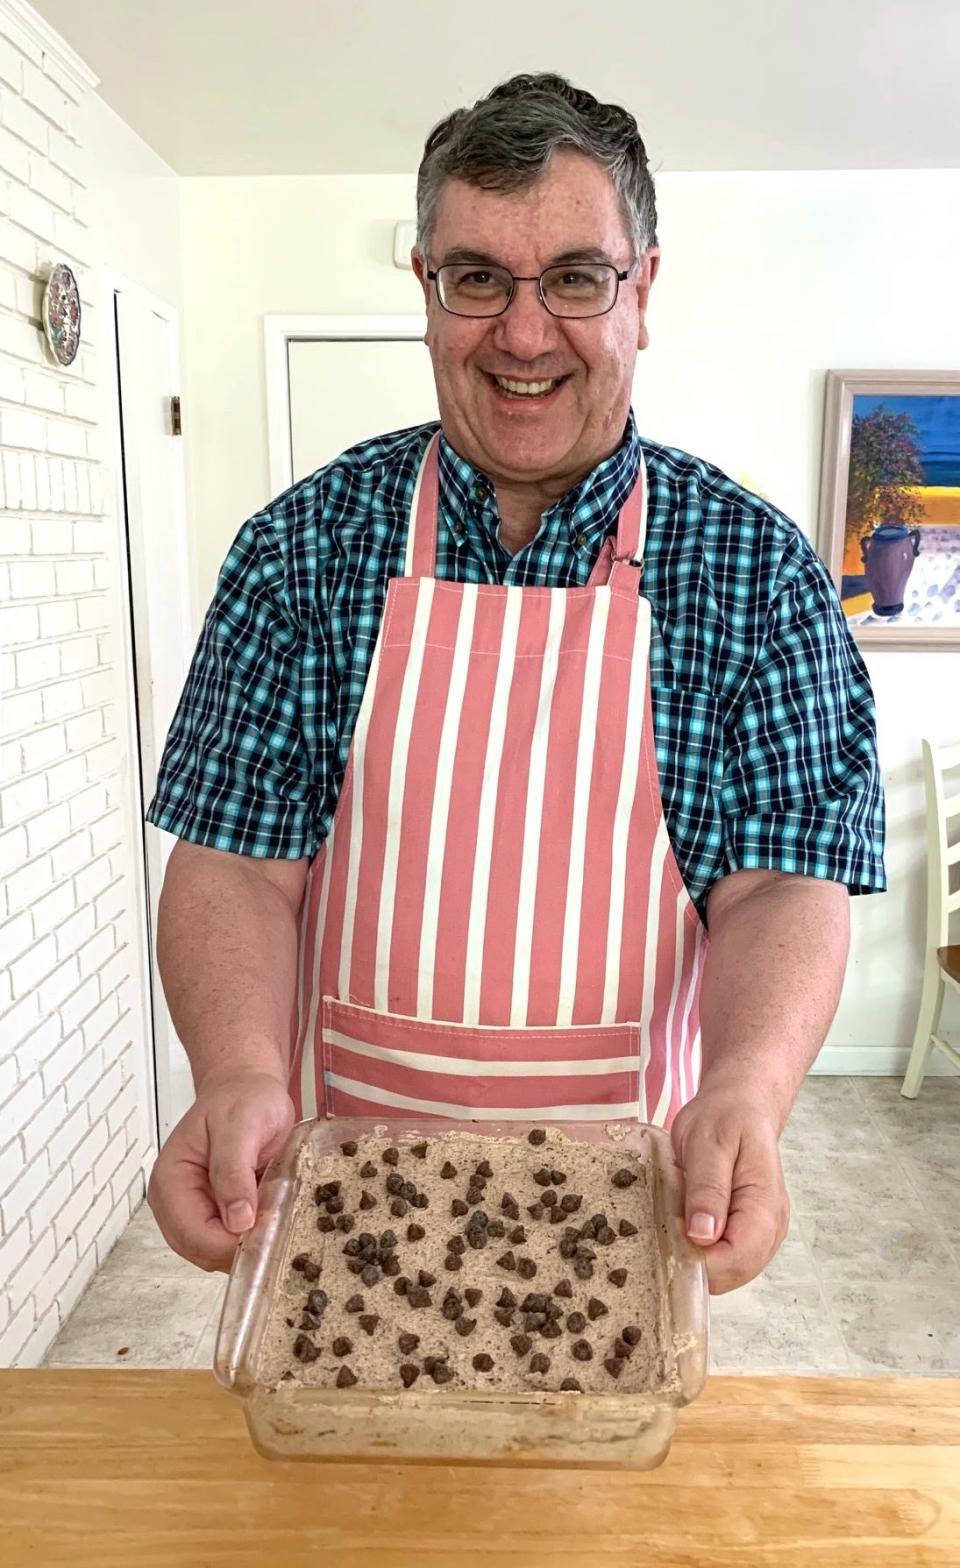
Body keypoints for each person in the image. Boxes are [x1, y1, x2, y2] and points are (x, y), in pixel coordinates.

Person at [145, 73, 885, 1293]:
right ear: (427, 287)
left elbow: (780, 888)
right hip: (337, 1200)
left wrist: (745, 1089)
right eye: (477, 278)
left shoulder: (757, 572)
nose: (525, 334)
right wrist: (232, 1073)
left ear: (644, 288)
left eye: (577, 279)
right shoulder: (302, 549)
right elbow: (234, 861)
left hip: (628, 1212)